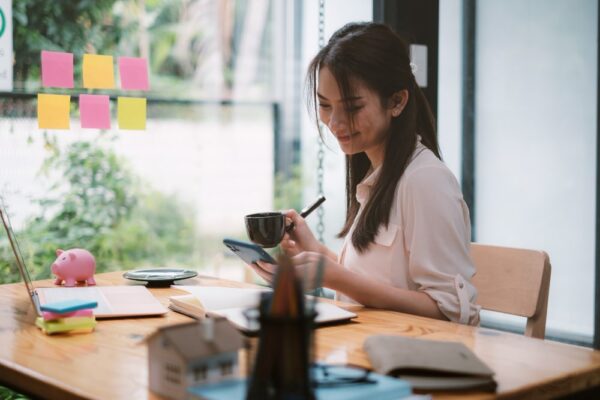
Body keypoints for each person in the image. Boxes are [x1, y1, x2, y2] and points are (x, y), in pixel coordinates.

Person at [251, 22, 480, 325]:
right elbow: (381, 282)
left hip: (411, 362)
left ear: (397, 101)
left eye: (352, 107)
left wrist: (334, 277)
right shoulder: (381, 176)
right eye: (324, 105)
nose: (334, 123)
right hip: (371, 351)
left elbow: (452, 312)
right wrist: (316, 252)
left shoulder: (425, 181)